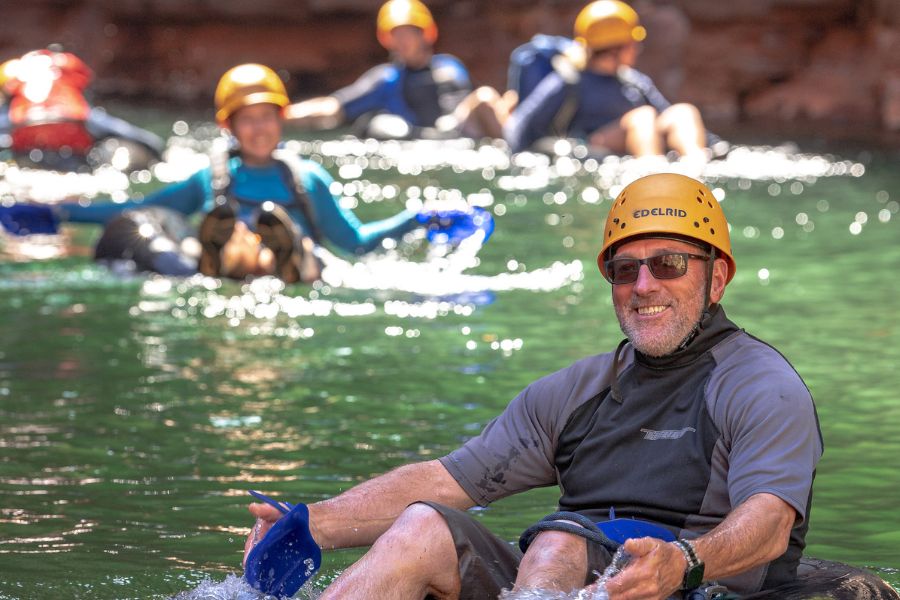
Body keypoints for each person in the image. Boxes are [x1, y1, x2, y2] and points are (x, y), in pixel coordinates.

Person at [240, 172, 900, 600]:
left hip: (701, 584)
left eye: (668, 265)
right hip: (563, 578)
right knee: (420, 528)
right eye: (625, 269)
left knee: (561, 538)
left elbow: (769, 524)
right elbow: (446, 482)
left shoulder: (760, 384)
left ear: (716, 277)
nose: (644, 287)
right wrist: (310, 523)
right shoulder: (578, 389)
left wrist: (685, 563)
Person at [52, 63, 425, 282]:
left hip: (298, 271)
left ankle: (290, 255)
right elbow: (141, 207)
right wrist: (59, 213)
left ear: (280, 120)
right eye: (248, 120)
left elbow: (355, 240)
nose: (259, 129)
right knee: (208, 243)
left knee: (314, 255)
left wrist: (415, 219)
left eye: (266, 118)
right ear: (228, 126)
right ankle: (236, 255)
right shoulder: (210, 178)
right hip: (235, 268)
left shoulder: (306, 178)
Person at [504, 0, 709, 160]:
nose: (638, 48)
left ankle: (697, 166)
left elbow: (666, 115)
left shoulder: (633, 81)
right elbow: (523, 128)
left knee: (684, 112)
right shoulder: (569, 81)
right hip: (593, 146)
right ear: (615, 49)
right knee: (642, 118)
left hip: (641, 140)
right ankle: (652, 172)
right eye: (632, 43)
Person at [284, 0, 514, 140]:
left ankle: (519, 144)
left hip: (462, 128)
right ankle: (517, 147)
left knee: (499, 98)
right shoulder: (386, 79)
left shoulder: (451, 65)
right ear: (387, 40)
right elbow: (332, 107)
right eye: (396, 34)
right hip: (434, 135)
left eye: (408, 33)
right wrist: (284, 114)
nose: (402, 41)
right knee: (485, 97)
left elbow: (472, 102)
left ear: (425, 34)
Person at [0, 47, 165, 171]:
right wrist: (154, 146)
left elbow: (9, 118)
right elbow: (116, 127)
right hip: (73, 125)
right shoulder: (67, 75)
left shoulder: (16, 78)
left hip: (24, 131)